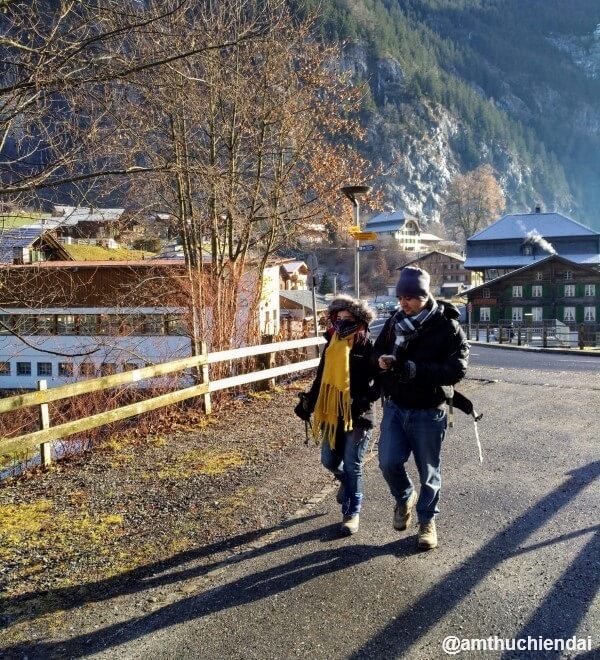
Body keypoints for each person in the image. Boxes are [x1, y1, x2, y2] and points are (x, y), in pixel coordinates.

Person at [373, 267, 469, 550]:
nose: (404, 302)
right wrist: (381, 361)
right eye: (401, 296)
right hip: (396, 406)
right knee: (388, 462)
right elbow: (377, 352)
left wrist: (414, 369)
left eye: (411, 297)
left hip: (429, 409)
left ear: (425, 296)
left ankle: (427, 521)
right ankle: (404, 497)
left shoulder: (446, 326)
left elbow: (456, 370)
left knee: (429, 471)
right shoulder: (394, 322)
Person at [294, 295, 379, 536]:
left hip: (359, 414)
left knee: (353, 464)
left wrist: (364, 399)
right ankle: (343, 479)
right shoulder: (331, 343)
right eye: (338, 317)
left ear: (360, 320)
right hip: (333, 412)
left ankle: (352, 512)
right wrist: (309, 402)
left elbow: (380, 382)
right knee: (329, 460)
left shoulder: (368, 345)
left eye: (348, 318)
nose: (342, 322)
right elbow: (321, 377)